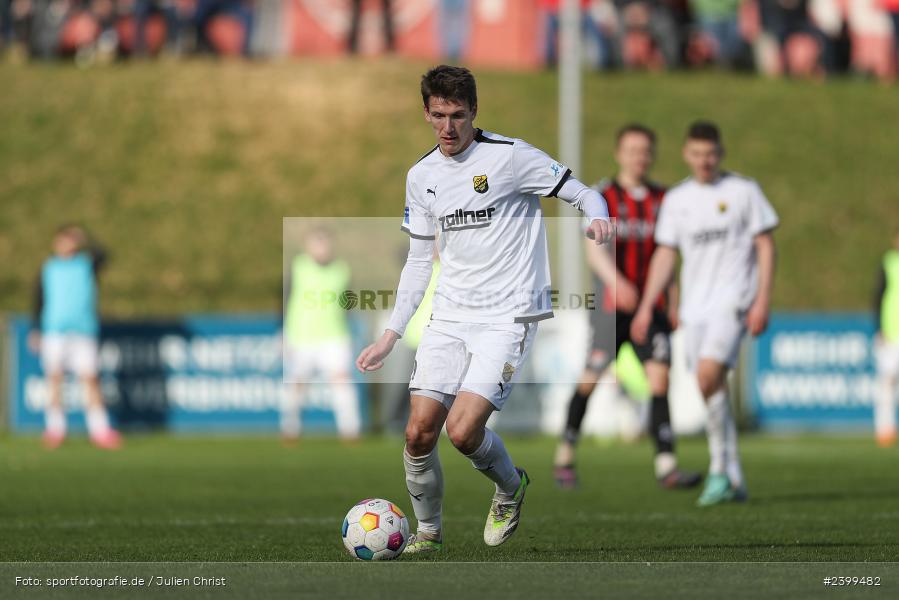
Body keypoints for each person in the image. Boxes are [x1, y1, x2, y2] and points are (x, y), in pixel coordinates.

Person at [355, 65, 613, 553]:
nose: (447, 128)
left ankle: (511, 486)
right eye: (437, 116)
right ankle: (427, 533)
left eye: (456, 115)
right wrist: (391, 333)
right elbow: (417, 261)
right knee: (417, 432)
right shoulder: (421, 176)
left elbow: (584, 193)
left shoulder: (511, 157)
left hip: (508, 314)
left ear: (474, 111)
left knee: (463, 429)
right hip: (449, 315)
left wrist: (597, 216)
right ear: (426, 113)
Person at [631, 121, 778, 507]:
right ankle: (733, 475)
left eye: (710, 154)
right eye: (696, 154)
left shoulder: (743, 191)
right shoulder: (678, 199)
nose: (704, 161)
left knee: (710, 374)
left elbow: (764, 244)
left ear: (721, 152)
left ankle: (717, 468)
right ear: (686, 154)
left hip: (732, 302)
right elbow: (665, 254)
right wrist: (648, 305)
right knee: (709, 387)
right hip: (694, 310)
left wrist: (762, 299)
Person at [554, 124, 702, 491]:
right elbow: (594, 248)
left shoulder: (663, 199)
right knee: (592, 376)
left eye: (645, 150)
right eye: (632, 149)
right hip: (611, 307)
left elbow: (668, 253)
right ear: (619, 153)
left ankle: (667, 464)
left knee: (659, 378)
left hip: (650, 308)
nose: (640, 156)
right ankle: (565, 454)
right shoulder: (604, 196)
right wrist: (617, 283)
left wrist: (674, 296)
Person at [29, 225, 122, 450]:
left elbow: (104, 254)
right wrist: (36, 328)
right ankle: (55, 429)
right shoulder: (48, 268)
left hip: (83, 330)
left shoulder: (86, 264)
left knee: (90, 378)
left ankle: (100, 430)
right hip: (54, 330)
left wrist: (86, 238)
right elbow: (38, 299)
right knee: (55, 379)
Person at [282, 228, 361, 442]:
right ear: (307, 246)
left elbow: (349, 302)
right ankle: (290, 430)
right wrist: (283, 333)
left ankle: (350, 432)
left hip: (334, 336)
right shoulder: (297, 267)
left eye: (324, 243)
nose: (321, 248)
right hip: (301, 335)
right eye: (316, 243)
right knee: (297, 384)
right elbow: (284, 299)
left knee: (342, 382)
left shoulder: (342, 269)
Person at [873, 230, 899, 448]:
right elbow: (878, 295)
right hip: (891, 333)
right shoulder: (889, 262)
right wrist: (878, 328)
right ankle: (885, 429)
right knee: (887, 382)